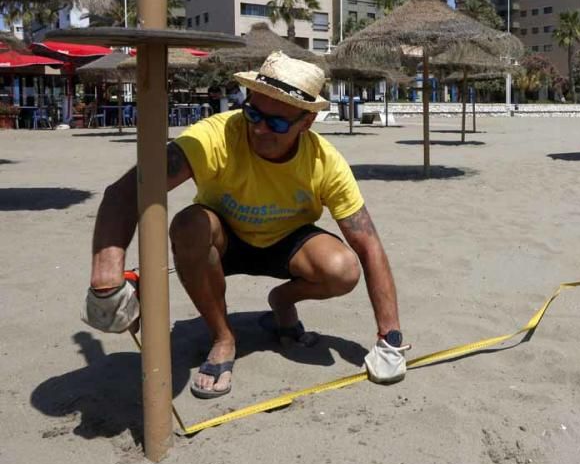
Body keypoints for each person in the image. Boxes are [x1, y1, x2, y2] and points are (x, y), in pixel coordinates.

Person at [83, 52, 406, 398]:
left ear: (307, 122)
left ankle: (281, 300)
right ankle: (223, 337)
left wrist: (390, 339)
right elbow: (125, 191)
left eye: (277, 123)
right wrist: (106, 280)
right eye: (252, 112)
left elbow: (368, 244)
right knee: (188, 224)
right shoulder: (215, 134)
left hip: (286, 243)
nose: (259, 128)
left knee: (343, 269)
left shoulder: (324, 161)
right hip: (223, 240)